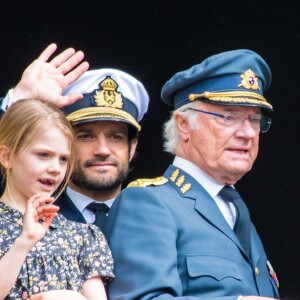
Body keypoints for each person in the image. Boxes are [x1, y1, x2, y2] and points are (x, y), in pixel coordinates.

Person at [105, 50, 280, 299]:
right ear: (183, 125)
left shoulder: (236, 212)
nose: (248, 133)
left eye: (254, 120)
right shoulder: (148, 203)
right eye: (229, 118)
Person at [0, 99, 113, 299]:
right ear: (6, 156)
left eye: (63, 159)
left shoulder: (81, 236)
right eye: (43, 155)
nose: (55, 168)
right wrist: (24, 243)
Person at [55, 68, 149, 230]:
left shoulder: (152, 219)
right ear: (64, 144)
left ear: (132, 147)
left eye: (115, 137)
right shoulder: (32, 215)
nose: (102, 150)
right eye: (86, 136)